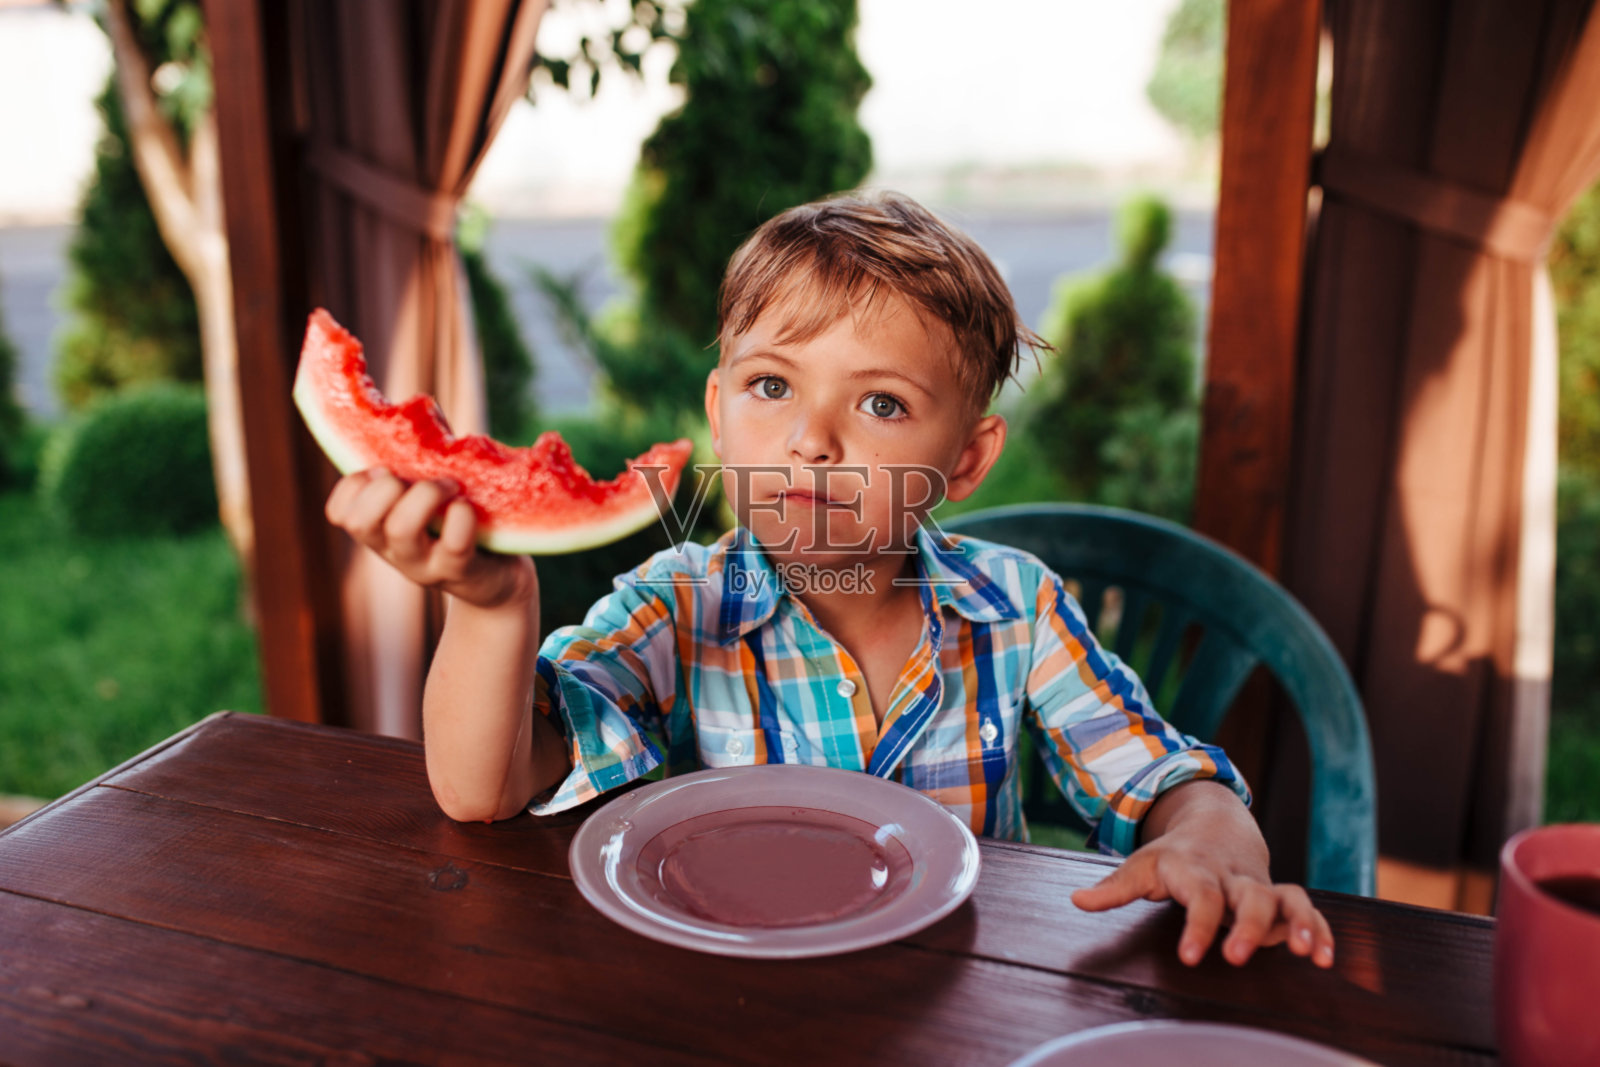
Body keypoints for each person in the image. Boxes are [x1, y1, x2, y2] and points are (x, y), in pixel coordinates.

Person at [324, 190, 1335, 971]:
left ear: (969, 458)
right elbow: (484, 788)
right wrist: (490, 604)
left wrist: (1213, 845)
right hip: (734, 996)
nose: (809, 442)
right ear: (720, 411)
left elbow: (1166, 778)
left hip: (967, 995)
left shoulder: (1015, 607)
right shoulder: (679, 602)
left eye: (883, 404)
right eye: (772, 386)